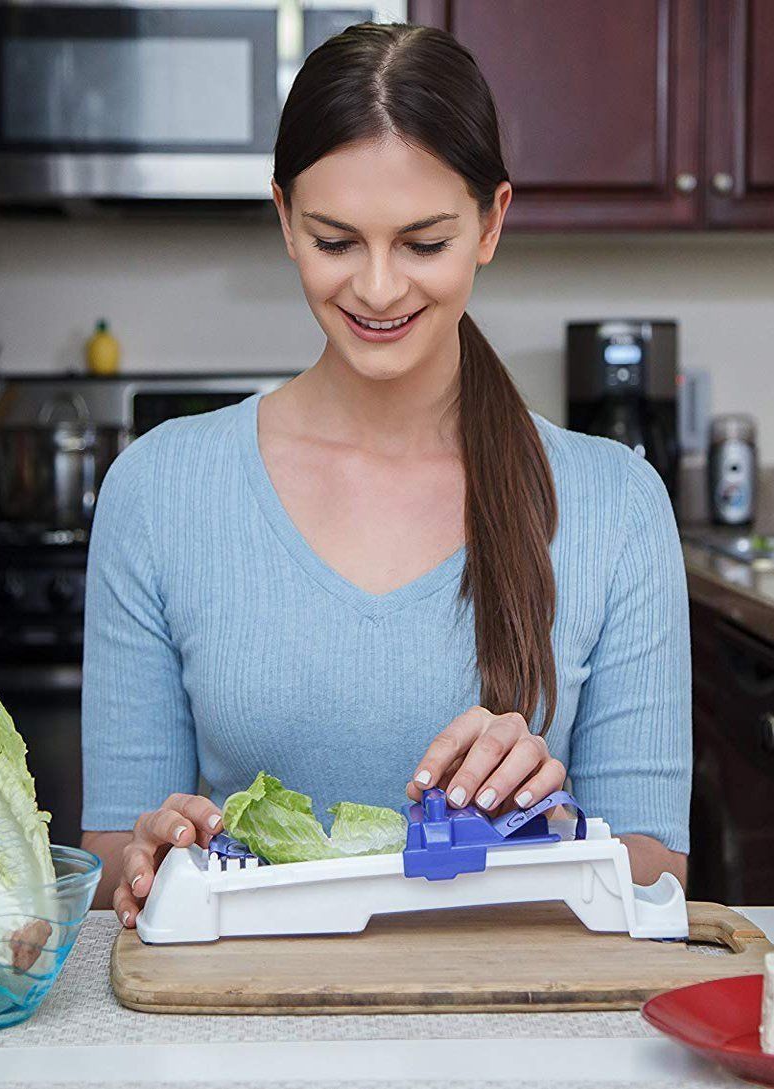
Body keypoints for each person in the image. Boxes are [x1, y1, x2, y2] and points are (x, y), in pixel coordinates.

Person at [79, 22, 691, 926]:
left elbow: (655, 874)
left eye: (422, 243)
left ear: (490, 222)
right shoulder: (156, 492)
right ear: (284, 220)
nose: (375, 288)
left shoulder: (618, 507)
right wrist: (146, 856)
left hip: (511, 1007)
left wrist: (547, 826)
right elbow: (111, 862)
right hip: (240, 1005)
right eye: (335, 241)